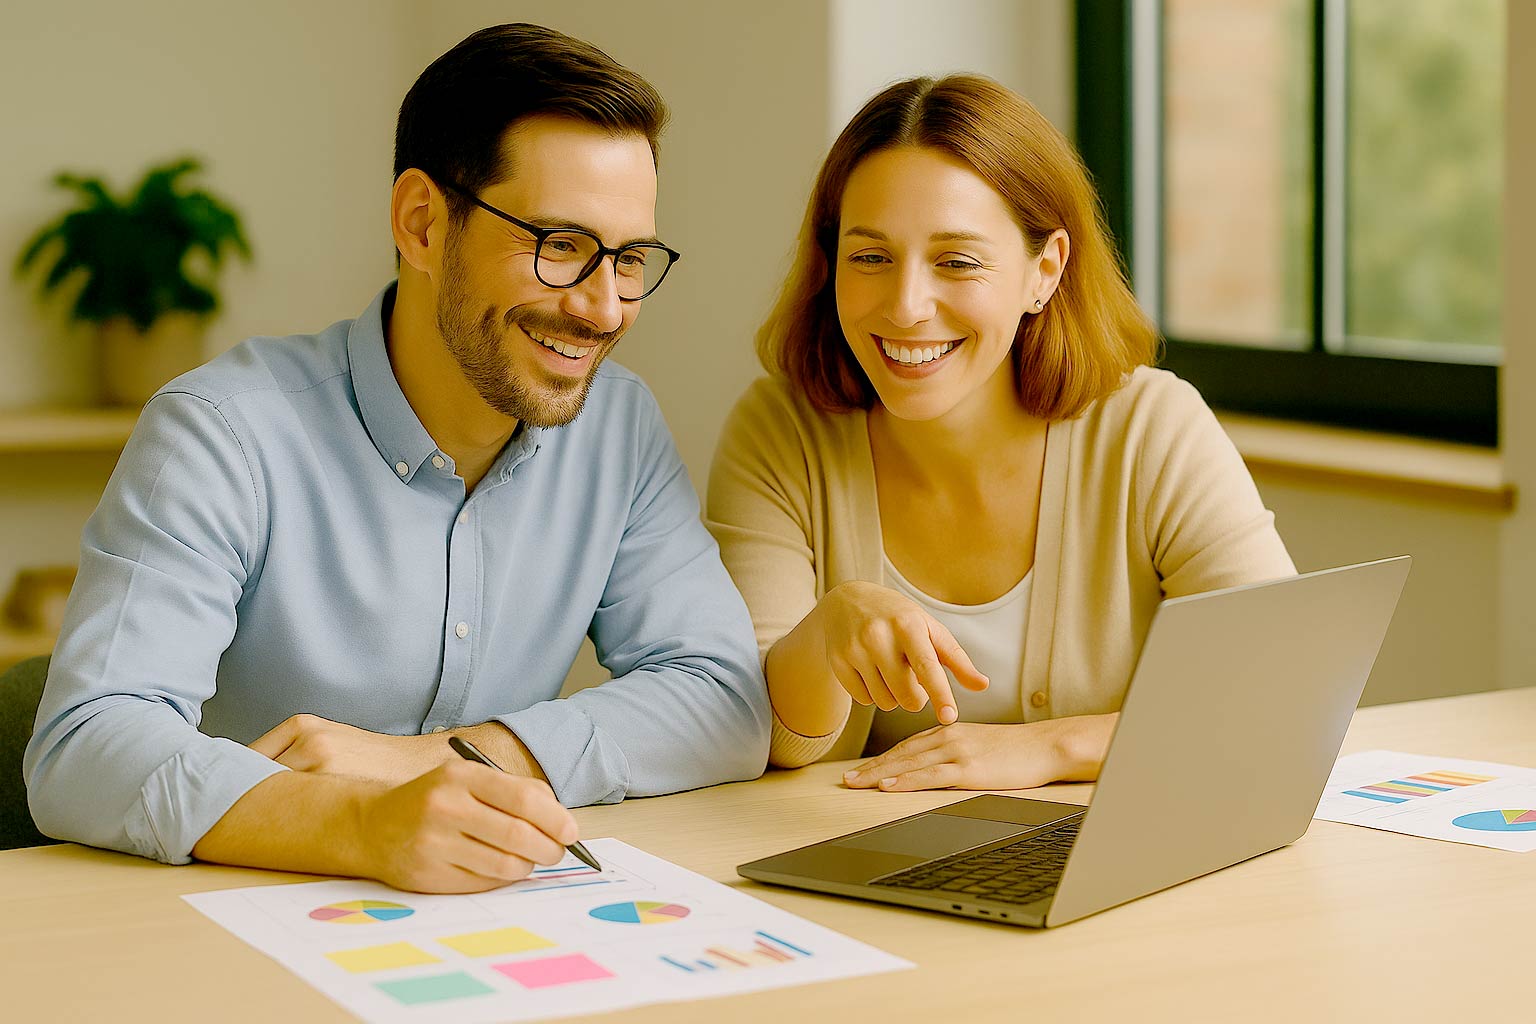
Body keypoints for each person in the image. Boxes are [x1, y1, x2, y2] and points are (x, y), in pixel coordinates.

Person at [25, 24, 769, 892]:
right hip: (231, 930)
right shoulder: (220, 430)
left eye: (630, 257)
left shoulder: (620, 428)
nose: (604, 308)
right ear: (422, 224)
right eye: (561, 246)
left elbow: (724, 696)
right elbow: (85, 746)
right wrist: (360, 823)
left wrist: (447, 760)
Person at [706, 74, 1294, 795]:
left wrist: (1051, 749)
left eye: (957, 261)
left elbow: (1281, 694)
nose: (907, 305)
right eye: (870, 257)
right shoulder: (780, 431)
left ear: (1043, 272)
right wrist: (828, 633)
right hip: (864, 872)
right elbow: (756, 733)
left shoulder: (1150, 428)